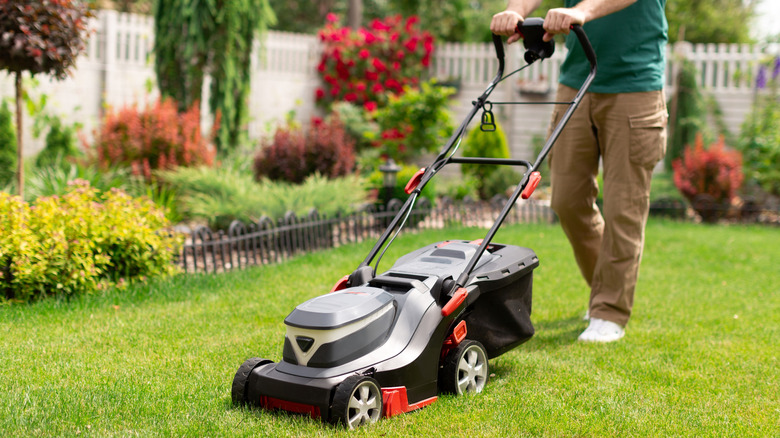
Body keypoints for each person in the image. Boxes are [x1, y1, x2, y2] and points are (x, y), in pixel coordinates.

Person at [491, 0, 668, 342]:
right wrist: (515, 11)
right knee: (567, 201)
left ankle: (609, 311)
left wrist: (582, 11)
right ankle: (604, 289)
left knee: (623, 208)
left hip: (635, 85)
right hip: (578, 80)